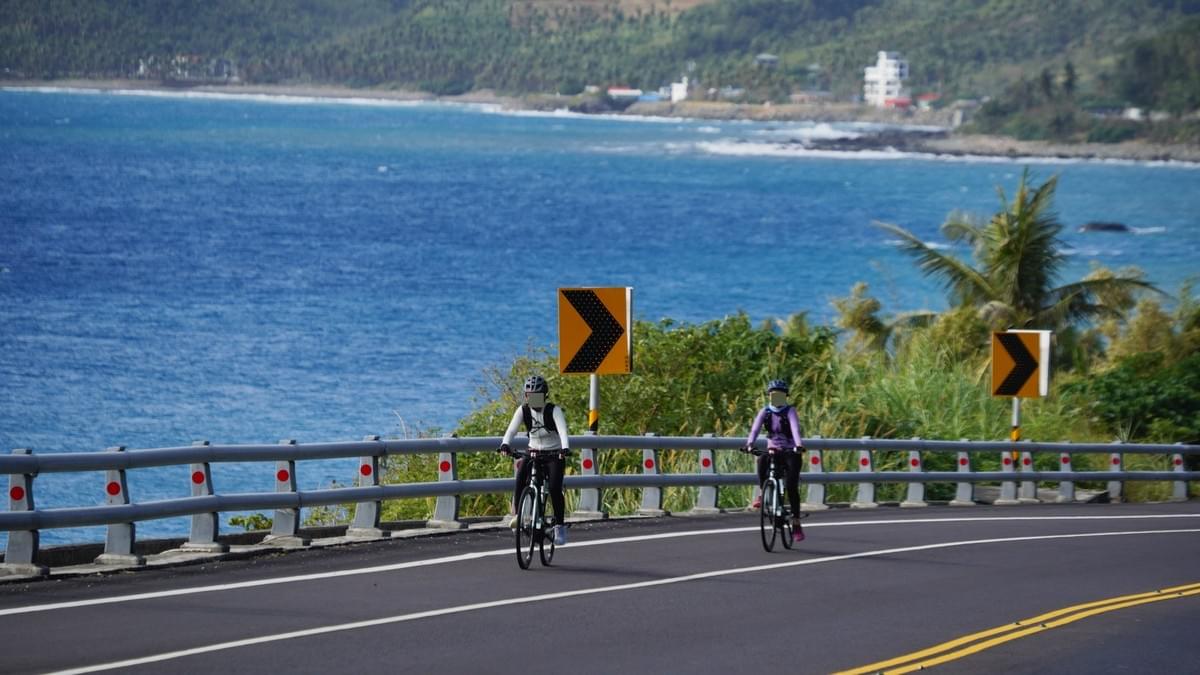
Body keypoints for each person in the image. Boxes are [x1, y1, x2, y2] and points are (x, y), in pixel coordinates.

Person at [497, 375, 572, 545]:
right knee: (520, 479)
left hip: (554, 454)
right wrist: (505, 444)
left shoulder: (554, 411)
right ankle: (518, 516)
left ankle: (559, 527)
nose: (533, 400)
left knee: (554, 488)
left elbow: (562, 433)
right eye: (530, 396)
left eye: (537, 396)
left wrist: (564, 448)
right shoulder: (522, 410)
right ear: (526, 396)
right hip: (533, 452)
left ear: (545, 395)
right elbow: (511, 431)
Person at [743, 379, 806, 542]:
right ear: (769, 396)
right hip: (773, 450)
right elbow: (755, 429)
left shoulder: (790, 411)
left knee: (791, 486)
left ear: (785, 396)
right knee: (761, 460)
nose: (776, 398)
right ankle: (763, 493)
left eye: (780, 394)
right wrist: (749, 444)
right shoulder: (765, 411)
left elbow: (795, 428)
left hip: (790, 450)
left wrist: (798, 445)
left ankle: (796, 523)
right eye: (773, 394)